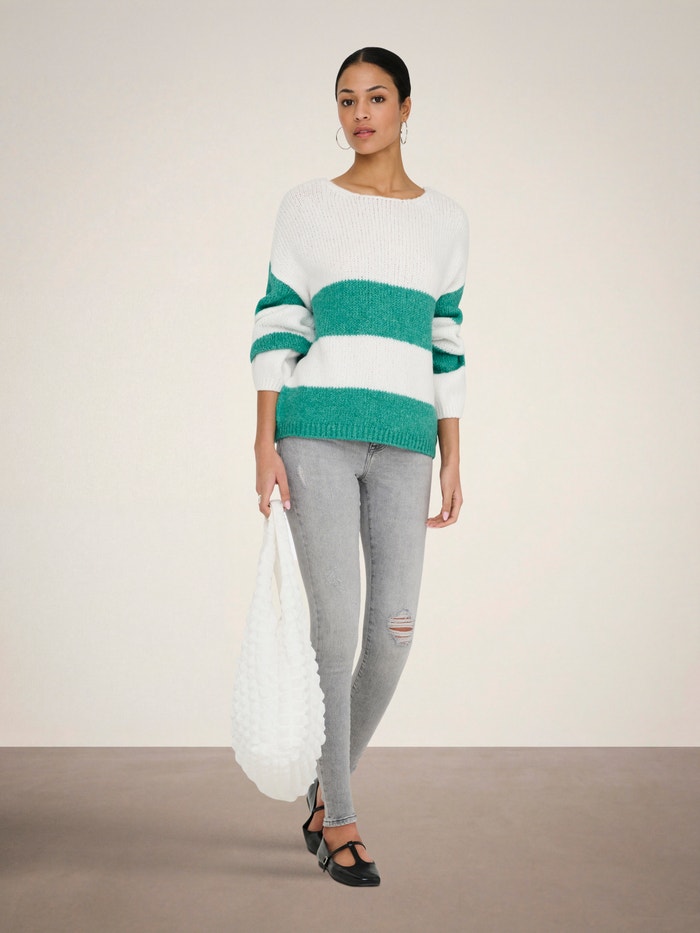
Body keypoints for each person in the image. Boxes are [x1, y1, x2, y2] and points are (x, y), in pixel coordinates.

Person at [251, 47, 469, 887]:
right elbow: (278, 322)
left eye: (377, 98)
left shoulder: (446, 221)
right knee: (335, 629)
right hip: (317, 433)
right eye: (346, 100)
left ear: (407, 108)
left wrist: (454, 451)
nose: (360, 114)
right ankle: (338, 816)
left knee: (393, 633)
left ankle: (322, 788)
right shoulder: (307, 206)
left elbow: (446, 341)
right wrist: (263, 440)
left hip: (408, 441)